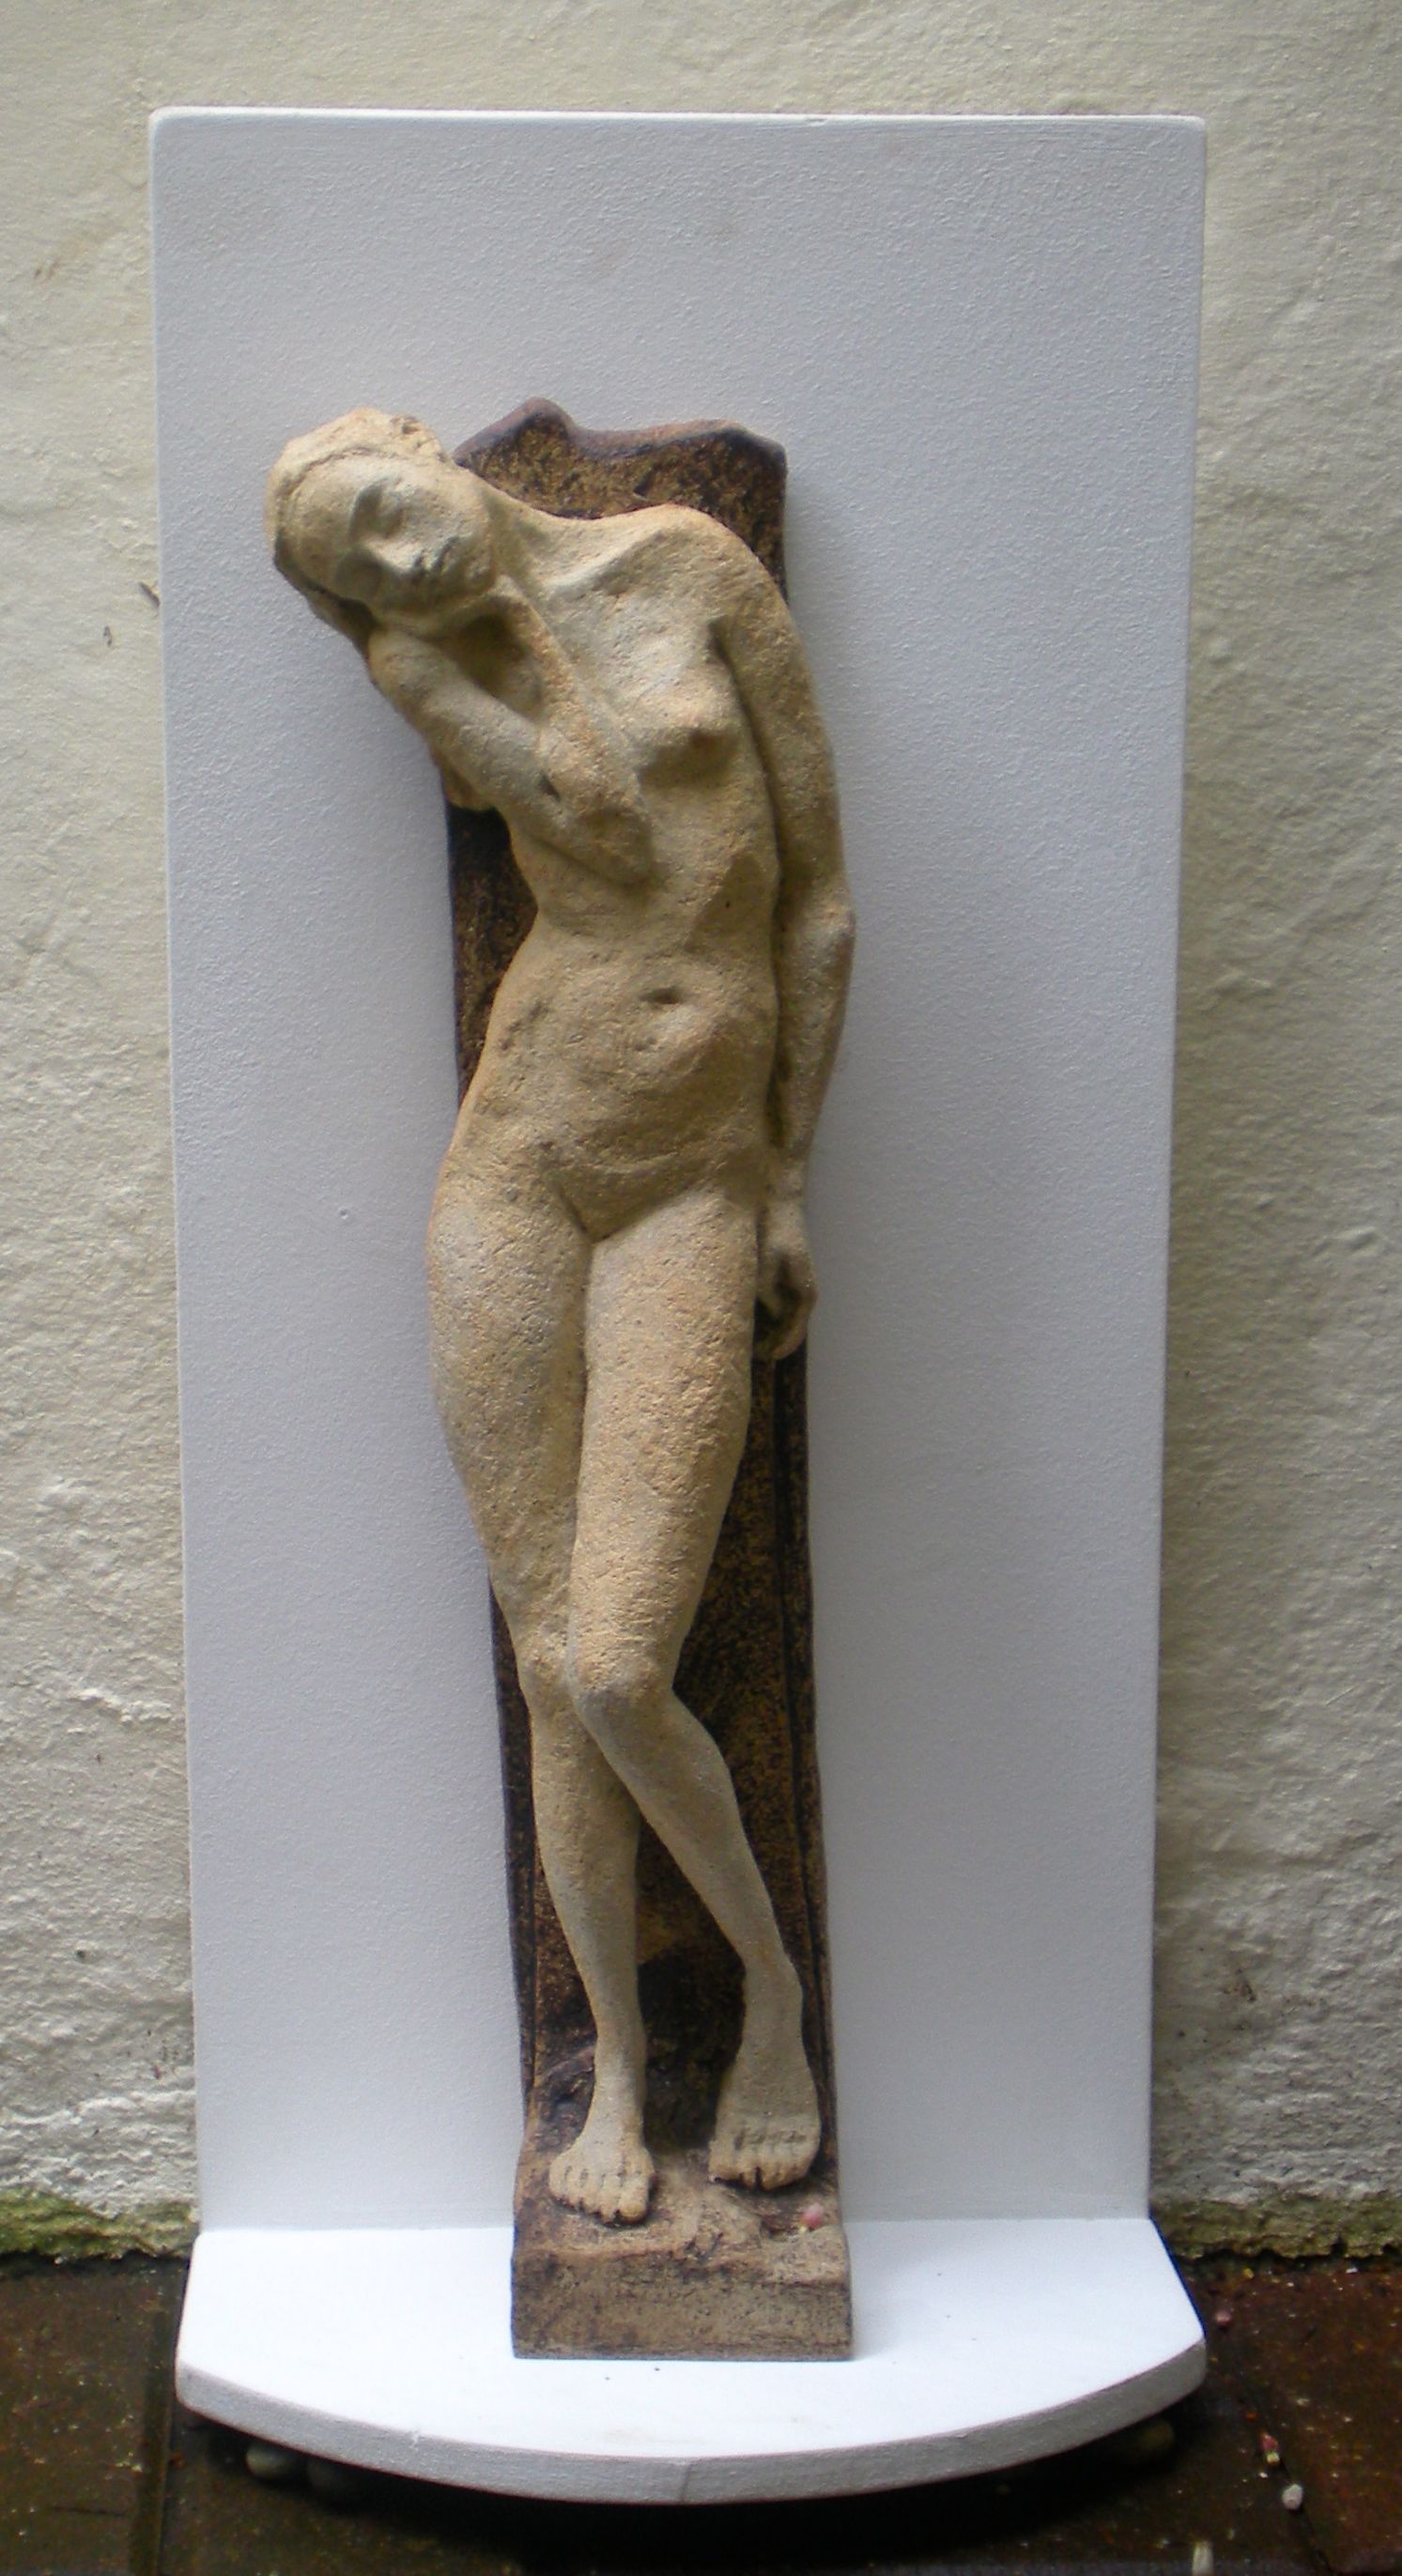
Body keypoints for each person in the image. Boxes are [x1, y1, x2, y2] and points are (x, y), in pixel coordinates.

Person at [267, 409, 854, 2224]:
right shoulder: (434, 671)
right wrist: (454, 658)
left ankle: (773, 2001)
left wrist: (783, 1177)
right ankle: (608, 2056)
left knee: (616, 1663)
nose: (403, 560)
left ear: (422, 453)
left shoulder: (688, 563)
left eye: (389, 510)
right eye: (362, 575)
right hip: (515, 1164)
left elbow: (816, 905)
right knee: (545, 1657)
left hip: (690, 1179)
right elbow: (584, 812)